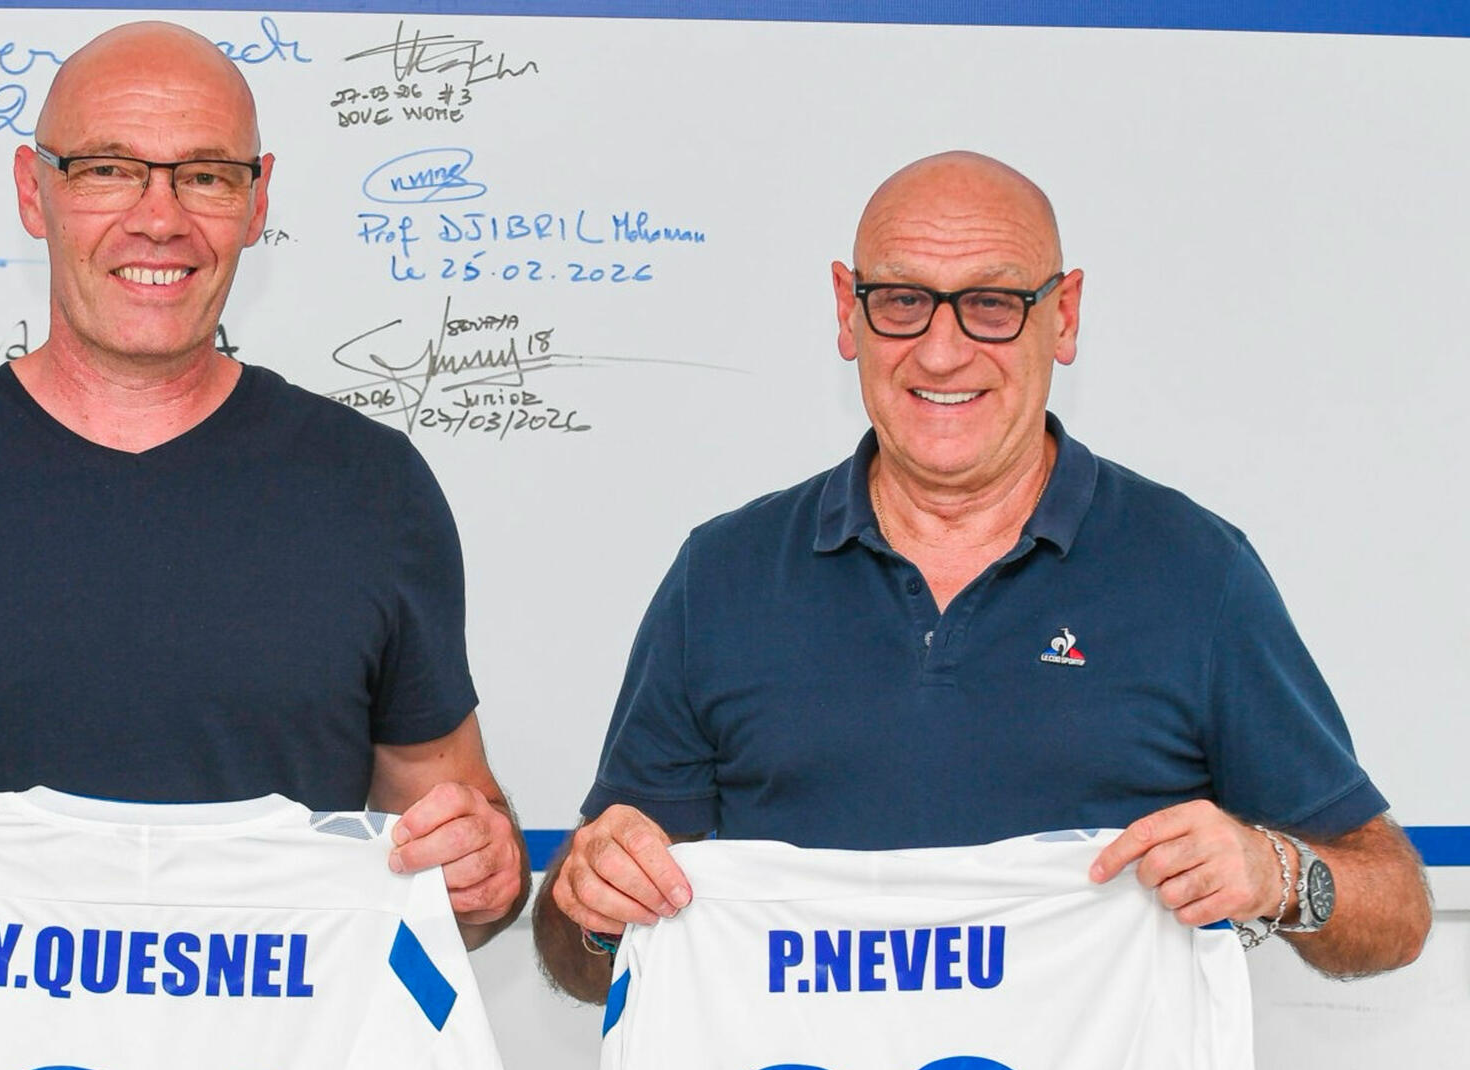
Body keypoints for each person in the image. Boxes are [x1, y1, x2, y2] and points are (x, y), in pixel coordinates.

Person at [0, 21, 527, 951]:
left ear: (257, 200)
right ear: (34, 192)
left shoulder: (375, 491)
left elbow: (459, 867)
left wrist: (483, 870)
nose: (160, 219)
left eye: (206, 176)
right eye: (108, 169)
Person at [534, 150, 1429, 1001]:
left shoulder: (1196, 572)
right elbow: (578, 955)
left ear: (1063, 316)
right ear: (846, 310)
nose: (941, 352)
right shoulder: (722, 578)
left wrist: (1277, 873)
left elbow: (1395, 907)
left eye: (993, 304)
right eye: (901, 301)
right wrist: (595, 909)